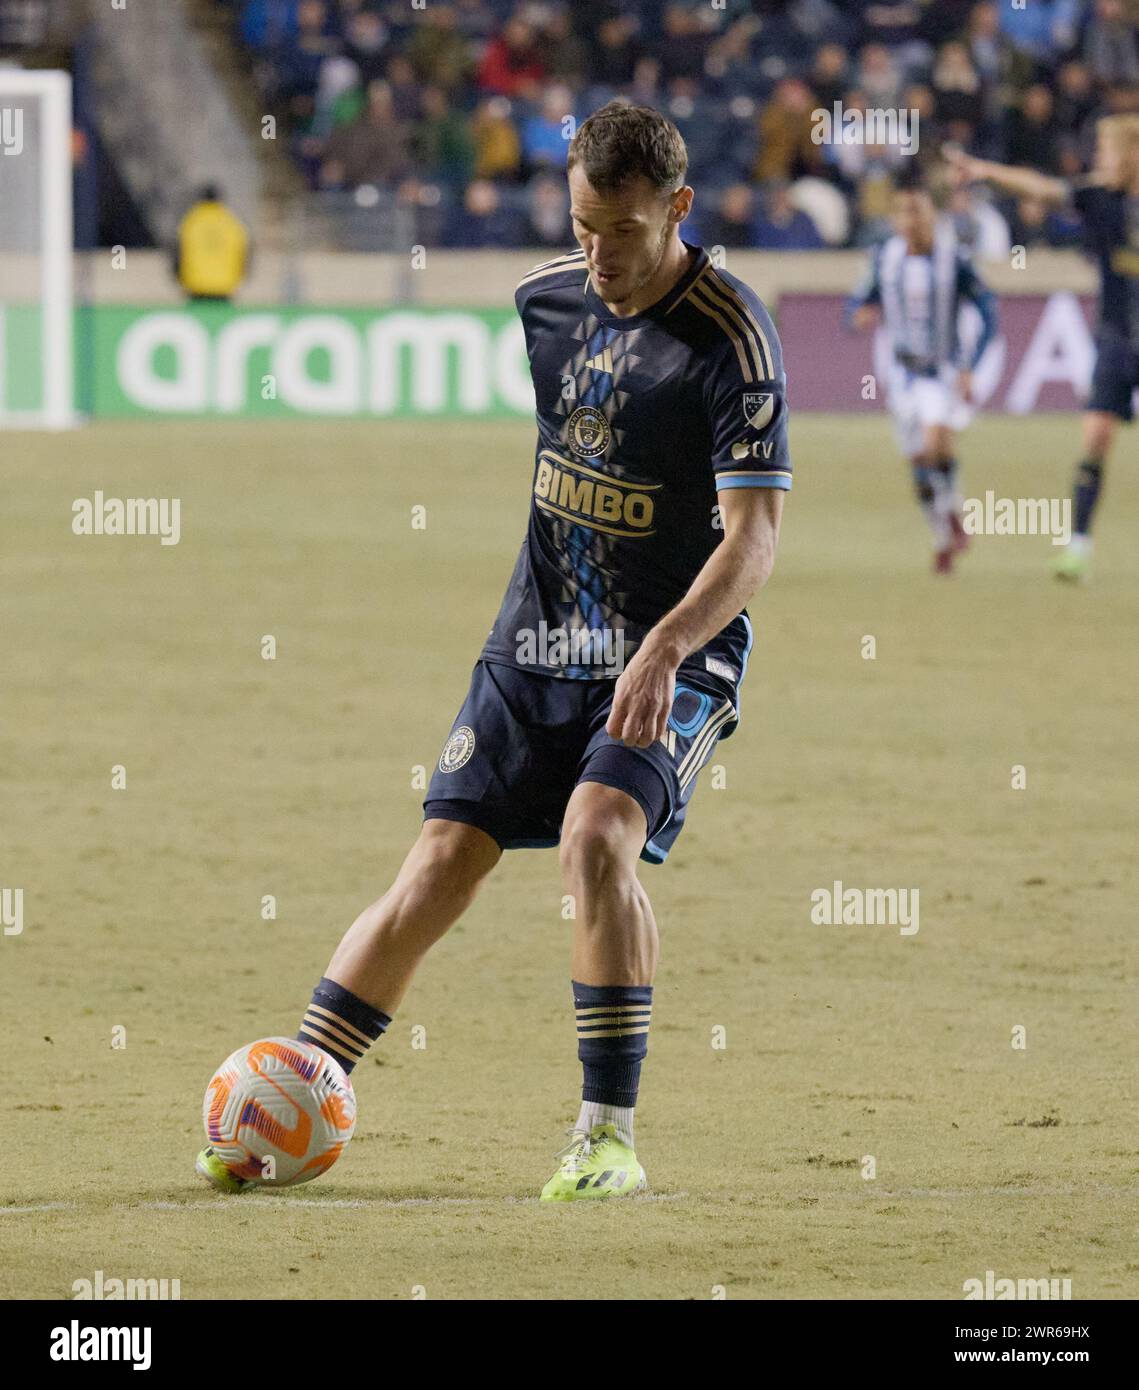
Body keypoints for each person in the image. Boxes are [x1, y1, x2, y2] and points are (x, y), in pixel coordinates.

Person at [196, 101, 791, 1202]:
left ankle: (605, 1135)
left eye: (622, 230)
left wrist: (661, 647)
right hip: (532, 643)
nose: (598, 256)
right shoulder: (547, 303)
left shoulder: (732, 338)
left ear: (678, 207)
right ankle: (286, 1095)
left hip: (672, 652)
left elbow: (753, 539)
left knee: (597, 835)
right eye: (580, 226)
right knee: (435, 866)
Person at [947, 114, 1139, 580]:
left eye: (1107, 151)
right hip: (1117, 337)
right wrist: (987, 172)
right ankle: (1077, 547)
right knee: (1095, 437)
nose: (1099, 159)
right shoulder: (1100, 198)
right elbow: (1041, 188)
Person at [847, 177, 998, 573]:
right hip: (902, 374)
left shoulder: (955, 260)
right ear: (895, 218)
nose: (911, 220)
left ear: (932, 214)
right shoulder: (886, 259)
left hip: (942, 370)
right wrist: (859, 314)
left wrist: (969, 365)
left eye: (918, 210)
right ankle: (944, 532)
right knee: (919, 463)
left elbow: (988, 309)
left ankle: (950, 518)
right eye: (903, 211)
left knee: (935, 443)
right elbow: (859, 299)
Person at [172, 185, 249, 303]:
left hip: (195, 286)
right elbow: (245, 253)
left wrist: (178, 278)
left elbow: (177, 253)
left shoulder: (190, 221)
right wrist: (241, 277)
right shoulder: (232, 222)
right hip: (225, 286)